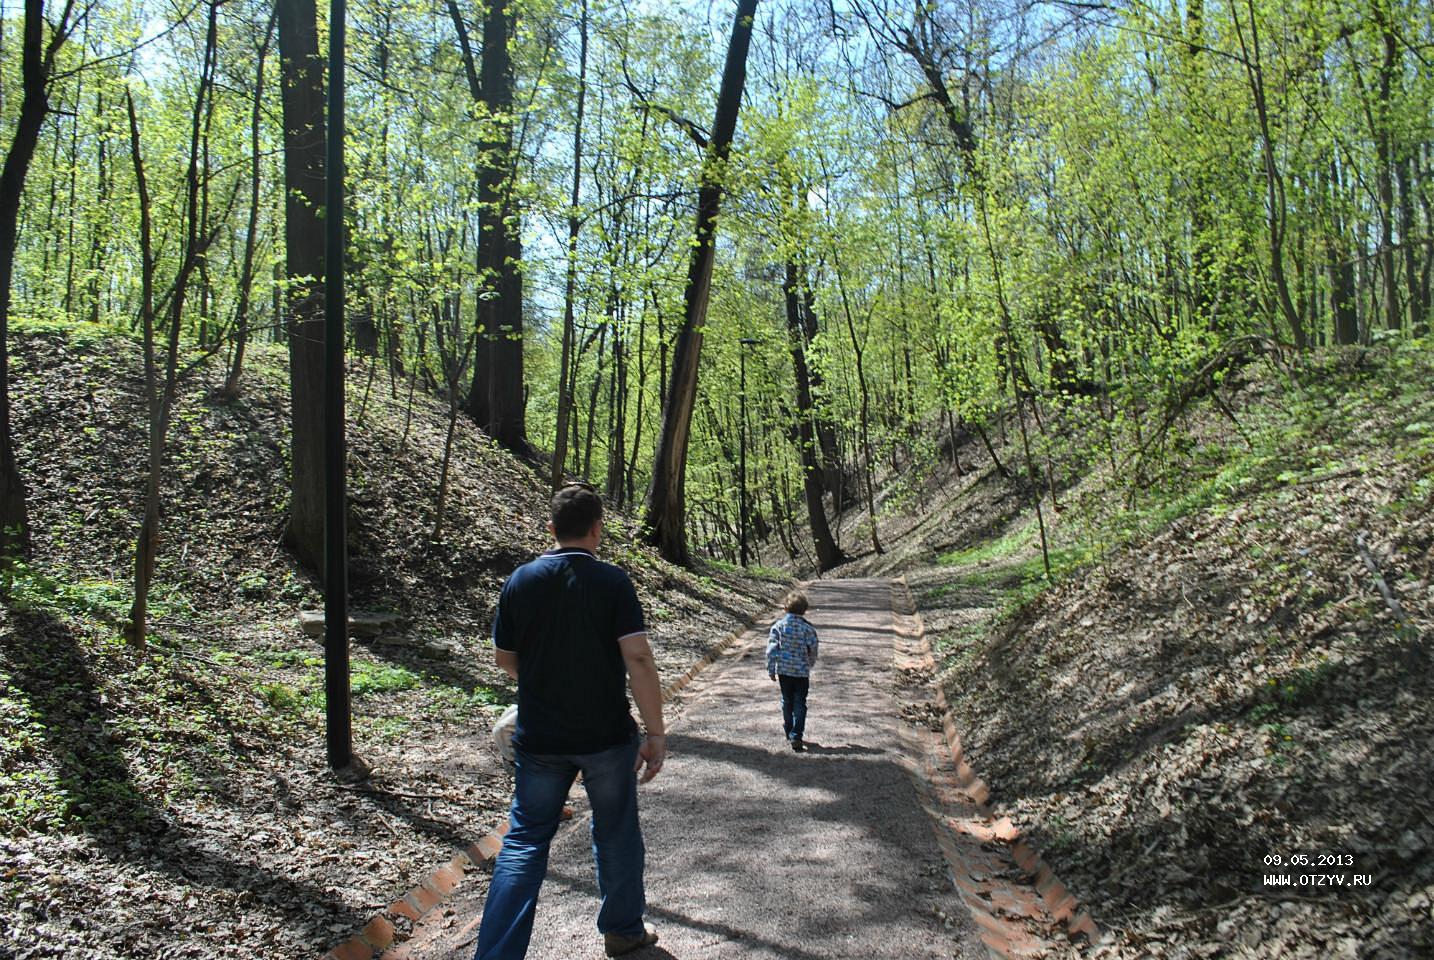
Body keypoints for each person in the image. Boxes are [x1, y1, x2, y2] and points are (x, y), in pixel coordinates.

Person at [475, 483, 666, 960]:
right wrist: (655, 733)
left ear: (551, 528)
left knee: (523, 842)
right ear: (597, 530)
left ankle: (496, 955)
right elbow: (638, 659)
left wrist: (545, 680)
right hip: (606, 737)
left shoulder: (520, 580)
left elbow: (504, 658)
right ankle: (623, 931)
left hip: (540, 739)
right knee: (616, 830)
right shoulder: (613, 582)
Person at [766, 591, 819, 751]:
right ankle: (797, 735)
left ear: (785, 608)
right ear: (804, 609)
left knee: (787, 700)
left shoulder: (778, 627)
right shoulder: (808, 629)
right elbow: (813, 648)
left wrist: (771, 669)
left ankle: (789, 729)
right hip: (801, 672)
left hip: (784, 671)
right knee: (800, 702)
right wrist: (810, 663)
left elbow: (771, 650)